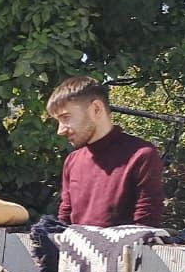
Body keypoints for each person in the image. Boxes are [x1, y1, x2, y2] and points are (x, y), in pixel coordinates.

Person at [47, 76, 164, 228]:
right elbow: (64, 223)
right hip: (75, 251)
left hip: (125, 251)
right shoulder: (72, 161)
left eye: (66, 117)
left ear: (96, 109)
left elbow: (144, 229)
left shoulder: (142, 155)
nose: (60, 130)